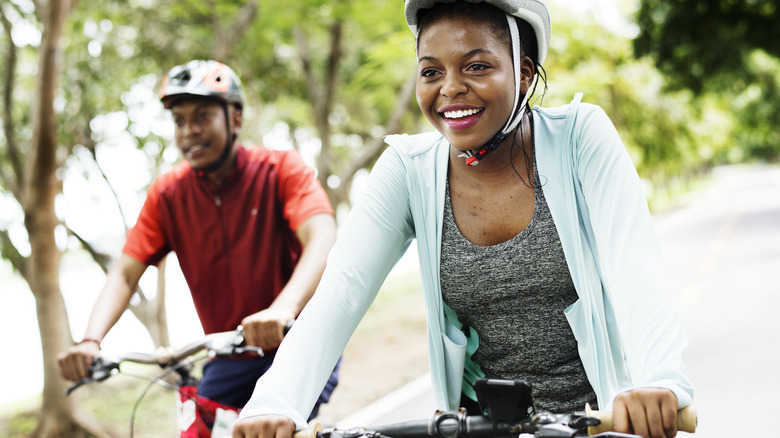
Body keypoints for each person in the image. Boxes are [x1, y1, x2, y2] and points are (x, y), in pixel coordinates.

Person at [232, 1, 694, 437]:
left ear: (525, 73)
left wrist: (660, 379)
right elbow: (341, 290)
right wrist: (275, 402)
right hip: (479, 423)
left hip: (600, 417)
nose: (450, 88)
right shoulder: (407, 170)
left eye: (476, 66)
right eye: (431, 71)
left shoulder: (581, 138)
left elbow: (634, 266)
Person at [57, 60, 340, 422]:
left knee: (273, 423)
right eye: (179, 121)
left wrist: (282, 309)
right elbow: (125, 275)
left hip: (302, 342)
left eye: (203, 116)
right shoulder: (167, 196)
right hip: (232, 354)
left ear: (235, 119)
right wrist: (90, 341)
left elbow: (322, 237)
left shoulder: (281, 169)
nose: (189, 131)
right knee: (202, 424)